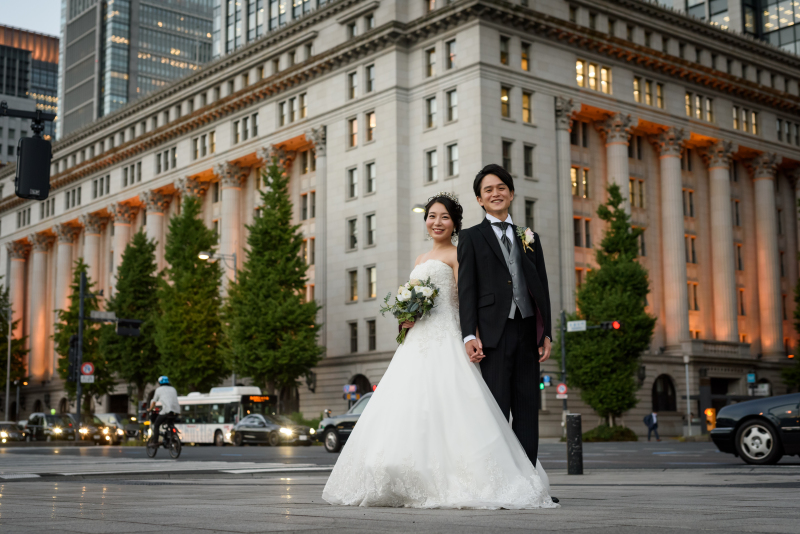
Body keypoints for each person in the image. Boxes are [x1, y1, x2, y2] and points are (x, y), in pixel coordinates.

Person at [322, 191, 558, 509]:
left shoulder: (460, 254)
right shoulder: (420, 259)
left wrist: (470, 336)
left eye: (444, 217)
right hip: (417, 340)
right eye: (432, 216)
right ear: (425, 221)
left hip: (448, 335)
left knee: (454, 403)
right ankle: (401, 472)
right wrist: (407, 316)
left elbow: (467, 300)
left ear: (455, 224)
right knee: (410, 406)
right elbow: (412, 297)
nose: (437, 222)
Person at [457, 164, 552, 474]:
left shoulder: (530, 236)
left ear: (511, 193)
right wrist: (469, 335)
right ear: (479, 200)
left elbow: (541, 286)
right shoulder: (471, 237)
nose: (495, 193)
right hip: (493, 335)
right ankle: (498, 479)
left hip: (527, 331)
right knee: (495, 410)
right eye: (488, 190)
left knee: (527, 409)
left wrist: (546, 332)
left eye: (501, 188)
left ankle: (528, 482)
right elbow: (467, 290)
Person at [149, 376, 180, 443]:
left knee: (156, 425)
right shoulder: (173, 389)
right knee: (170, 423)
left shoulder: (159, 390)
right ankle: (173, 437)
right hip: (176, 411)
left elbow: (154, 401)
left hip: (167, 411)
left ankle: (155, 442)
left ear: (160, 382)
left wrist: (150, 408)